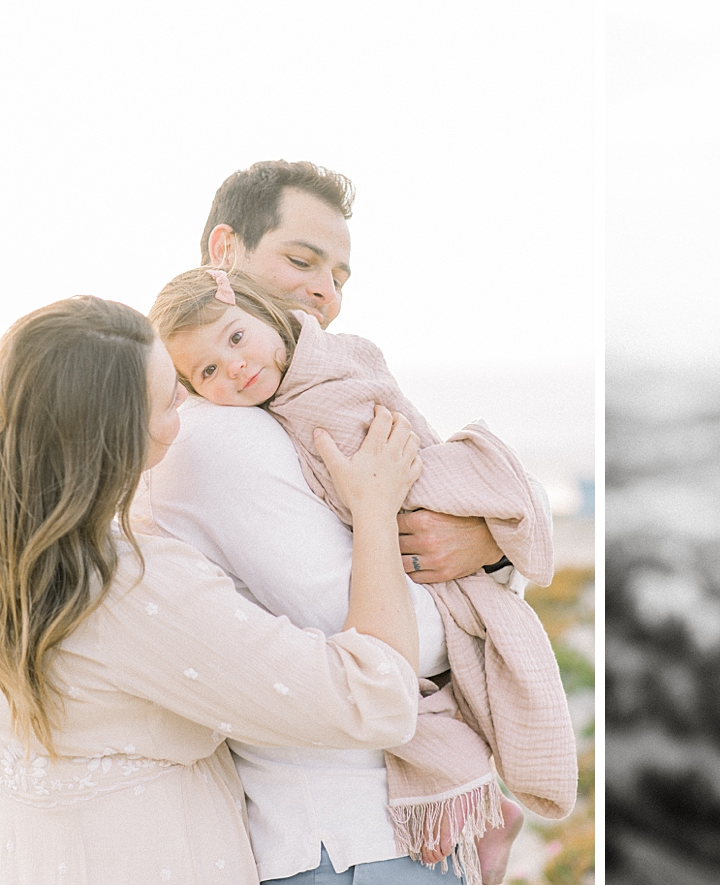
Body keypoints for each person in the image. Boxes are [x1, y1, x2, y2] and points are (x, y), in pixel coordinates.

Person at [137, 160, 557, 884]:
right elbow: (386, 643)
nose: (323, 291)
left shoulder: (311, 398)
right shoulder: (224, 437)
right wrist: (454, 563)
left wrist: (482, 541)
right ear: (224, 253)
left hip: (383, 830)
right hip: (352, 834)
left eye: (339, 275)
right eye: (301, 260)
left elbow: (438, 474)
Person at [0, 295, 429, 884]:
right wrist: (376, 508)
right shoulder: (131, 589)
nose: (189, 401)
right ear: (122, 439)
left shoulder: (25, 565)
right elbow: (374, 698)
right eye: (171, 395)